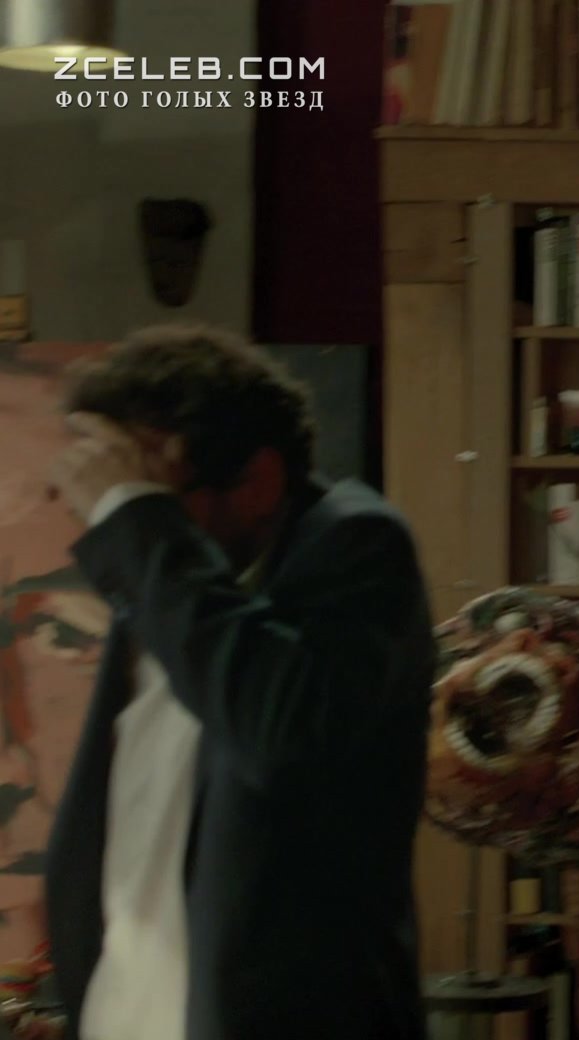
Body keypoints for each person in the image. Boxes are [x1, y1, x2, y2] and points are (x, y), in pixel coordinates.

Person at [41, 325, 434, 1040]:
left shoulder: (356, 543)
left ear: (257, 482)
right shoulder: (169, 576)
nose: (114, 526)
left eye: (153, 494)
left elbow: (280, 732)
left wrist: (140, 521)